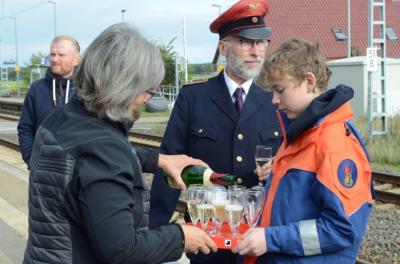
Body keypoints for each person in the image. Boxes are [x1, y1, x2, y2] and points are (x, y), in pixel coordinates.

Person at [23, 23, 217, 264]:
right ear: (123, 86)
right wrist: (180, 237)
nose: (147, 99)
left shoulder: (63, 117)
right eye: (147, 90)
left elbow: (85, 157)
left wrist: (158, 160)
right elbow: (122, 250)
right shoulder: (102, 148)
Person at [149, 0, 282, 263]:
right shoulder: (194, 98)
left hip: (260, 240)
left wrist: (279, 164)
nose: (256, 51)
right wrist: (156, 236)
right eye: (246, 42)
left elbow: (298, 159)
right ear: (223, 48)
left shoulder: (277, 100)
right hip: (207, 241)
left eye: (262, 42)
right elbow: (170, 168)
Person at [232, 38, 373, 264]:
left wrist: (271, 239)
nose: (275, 101)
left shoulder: (333, 145)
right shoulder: (302, 133)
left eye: (280, 90)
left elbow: (342, 229)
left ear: (309, 81)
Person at [18, 35, 80, 168]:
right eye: (52, 54)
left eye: (61, 55)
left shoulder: (87, 90)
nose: (54, 59)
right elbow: (25, 128)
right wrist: (31, 160)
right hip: (43, 173)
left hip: (80, 175)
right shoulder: (36, 89)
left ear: (76, 59)